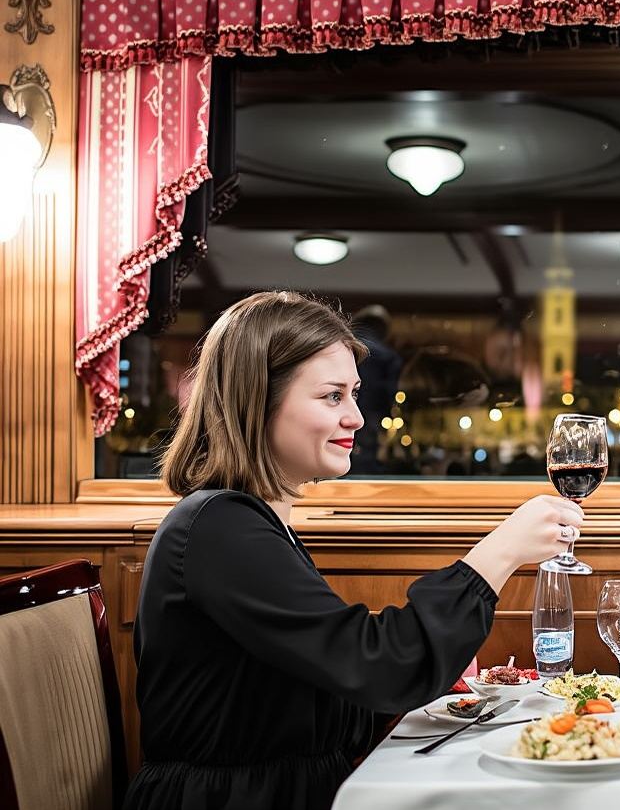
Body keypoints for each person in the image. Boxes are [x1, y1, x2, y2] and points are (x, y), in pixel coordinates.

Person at [125, 291, 583, 810]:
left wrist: (435, 672)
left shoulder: (249, 522)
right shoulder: (218, 527)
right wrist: (500, 552)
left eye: (355, 394)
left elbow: (324, 686)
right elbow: (377, 665)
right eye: (332, 396)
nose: (357, 418)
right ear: (259, 400)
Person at [347, 304, 402, 474]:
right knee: (366, 455)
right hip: (372, 415)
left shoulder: (345, 349)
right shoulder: (388, 357)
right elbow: (390, 392)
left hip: (343, 410)